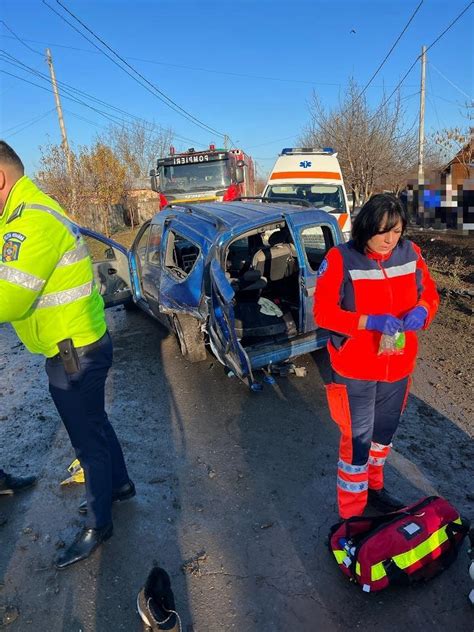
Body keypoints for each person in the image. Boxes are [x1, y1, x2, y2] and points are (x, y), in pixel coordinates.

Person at [0, 141, 134, 568]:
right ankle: (121, 487)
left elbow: (9, 300)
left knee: (86, 439)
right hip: (80, 343)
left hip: (73, 352)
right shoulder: (34, 210)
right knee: (95, 424)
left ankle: (100, 523)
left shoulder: (29, 223)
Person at [314, 193, 439, 519]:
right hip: (355, 369)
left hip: (397, 366)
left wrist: (422, 312)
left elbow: (430, 294)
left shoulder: (411, 253)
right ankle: (353, 515)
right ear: (364, 227)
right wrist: (368, 321)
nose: (388, 239)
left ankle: (375, 489)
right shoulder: (341, 258)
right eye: (381, 231)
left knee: (383, 436)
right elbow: (323, 313)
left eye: (396, 231)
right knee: (357, 441)